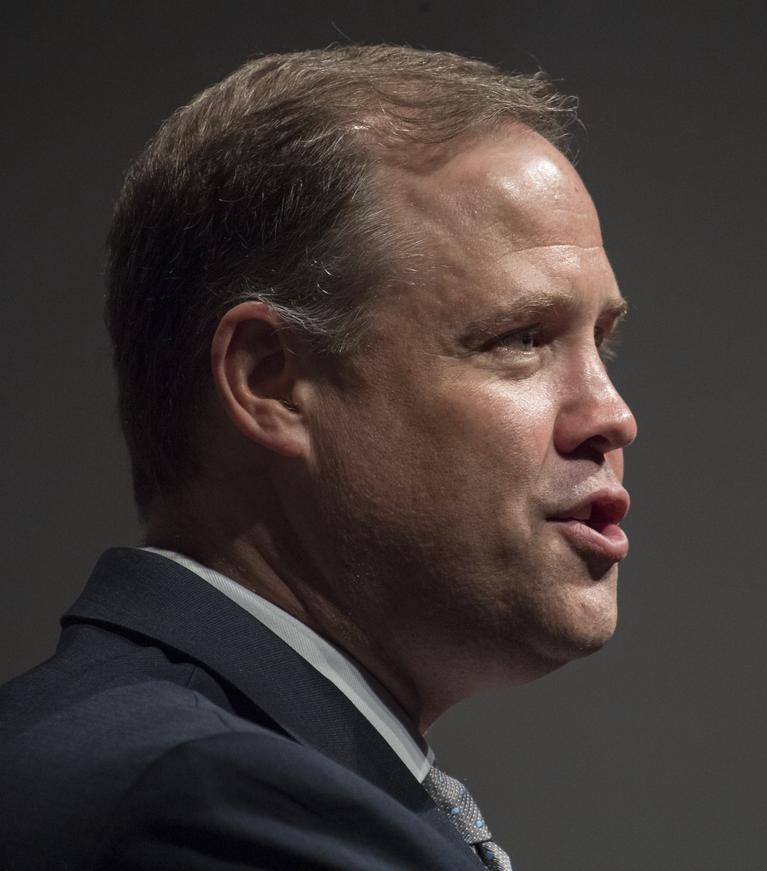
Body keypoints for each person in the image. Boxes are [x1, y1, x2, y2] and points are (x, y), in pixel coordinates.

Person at [0, 45, 636, 870]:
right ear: (271, 380)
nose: (611, 416)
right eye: (519, 339)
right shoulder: (199, 808)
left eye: (603, 342)